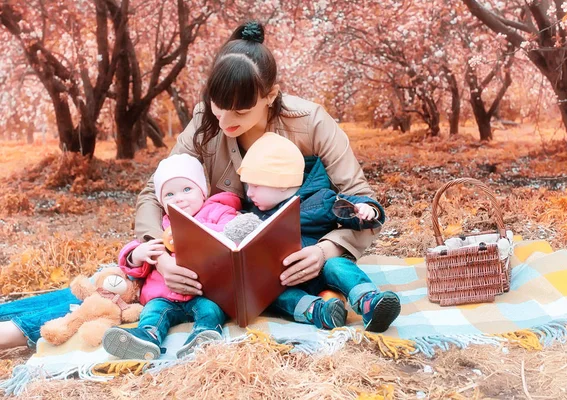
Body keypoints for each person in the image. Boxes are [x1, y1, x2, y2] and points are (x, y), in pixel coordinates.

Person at [0, 19, 386, 350]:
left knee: (120, 295)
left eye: (240, 109)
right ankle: (9, 330)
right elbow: (154, 192)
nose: (225, 118)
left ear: (270, 96)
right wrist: (160, 256)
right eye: (218, 103)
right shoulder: (205, 120)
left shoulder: (311, 123)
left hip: (288, 266)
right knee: (112, 287)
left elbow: (365, 202)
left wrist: (324, 251)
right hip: (201, 262)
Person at [238, 132, 400, 332]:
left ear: (281, 184)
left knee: (338, 265)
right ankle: (319, 312)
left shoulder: (320, 200)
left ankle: (369, 301)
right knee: (271, 294)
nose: (248, 193)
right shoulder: (254, 212)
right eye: (247, 185)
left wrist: (365, 210)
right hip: (285, 281)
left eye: (254, 185)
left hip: (321, 269)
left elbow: (346, 207)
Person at [102, 154, 241, 360]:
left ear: (202, 192)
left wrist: (196, 231)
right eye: (169, 194)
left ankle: (204, 336)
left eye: (187, 189)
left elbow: (232, 231)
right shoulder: (163, 224)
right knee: (153, 312)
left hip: (204, 293)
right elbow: (138, 256)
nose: (179, 198)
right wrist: (138, 255)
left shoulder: (217, 212)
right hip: (164, 295)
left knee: (211, 310)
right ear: (161, 202)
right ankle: (147, 337)